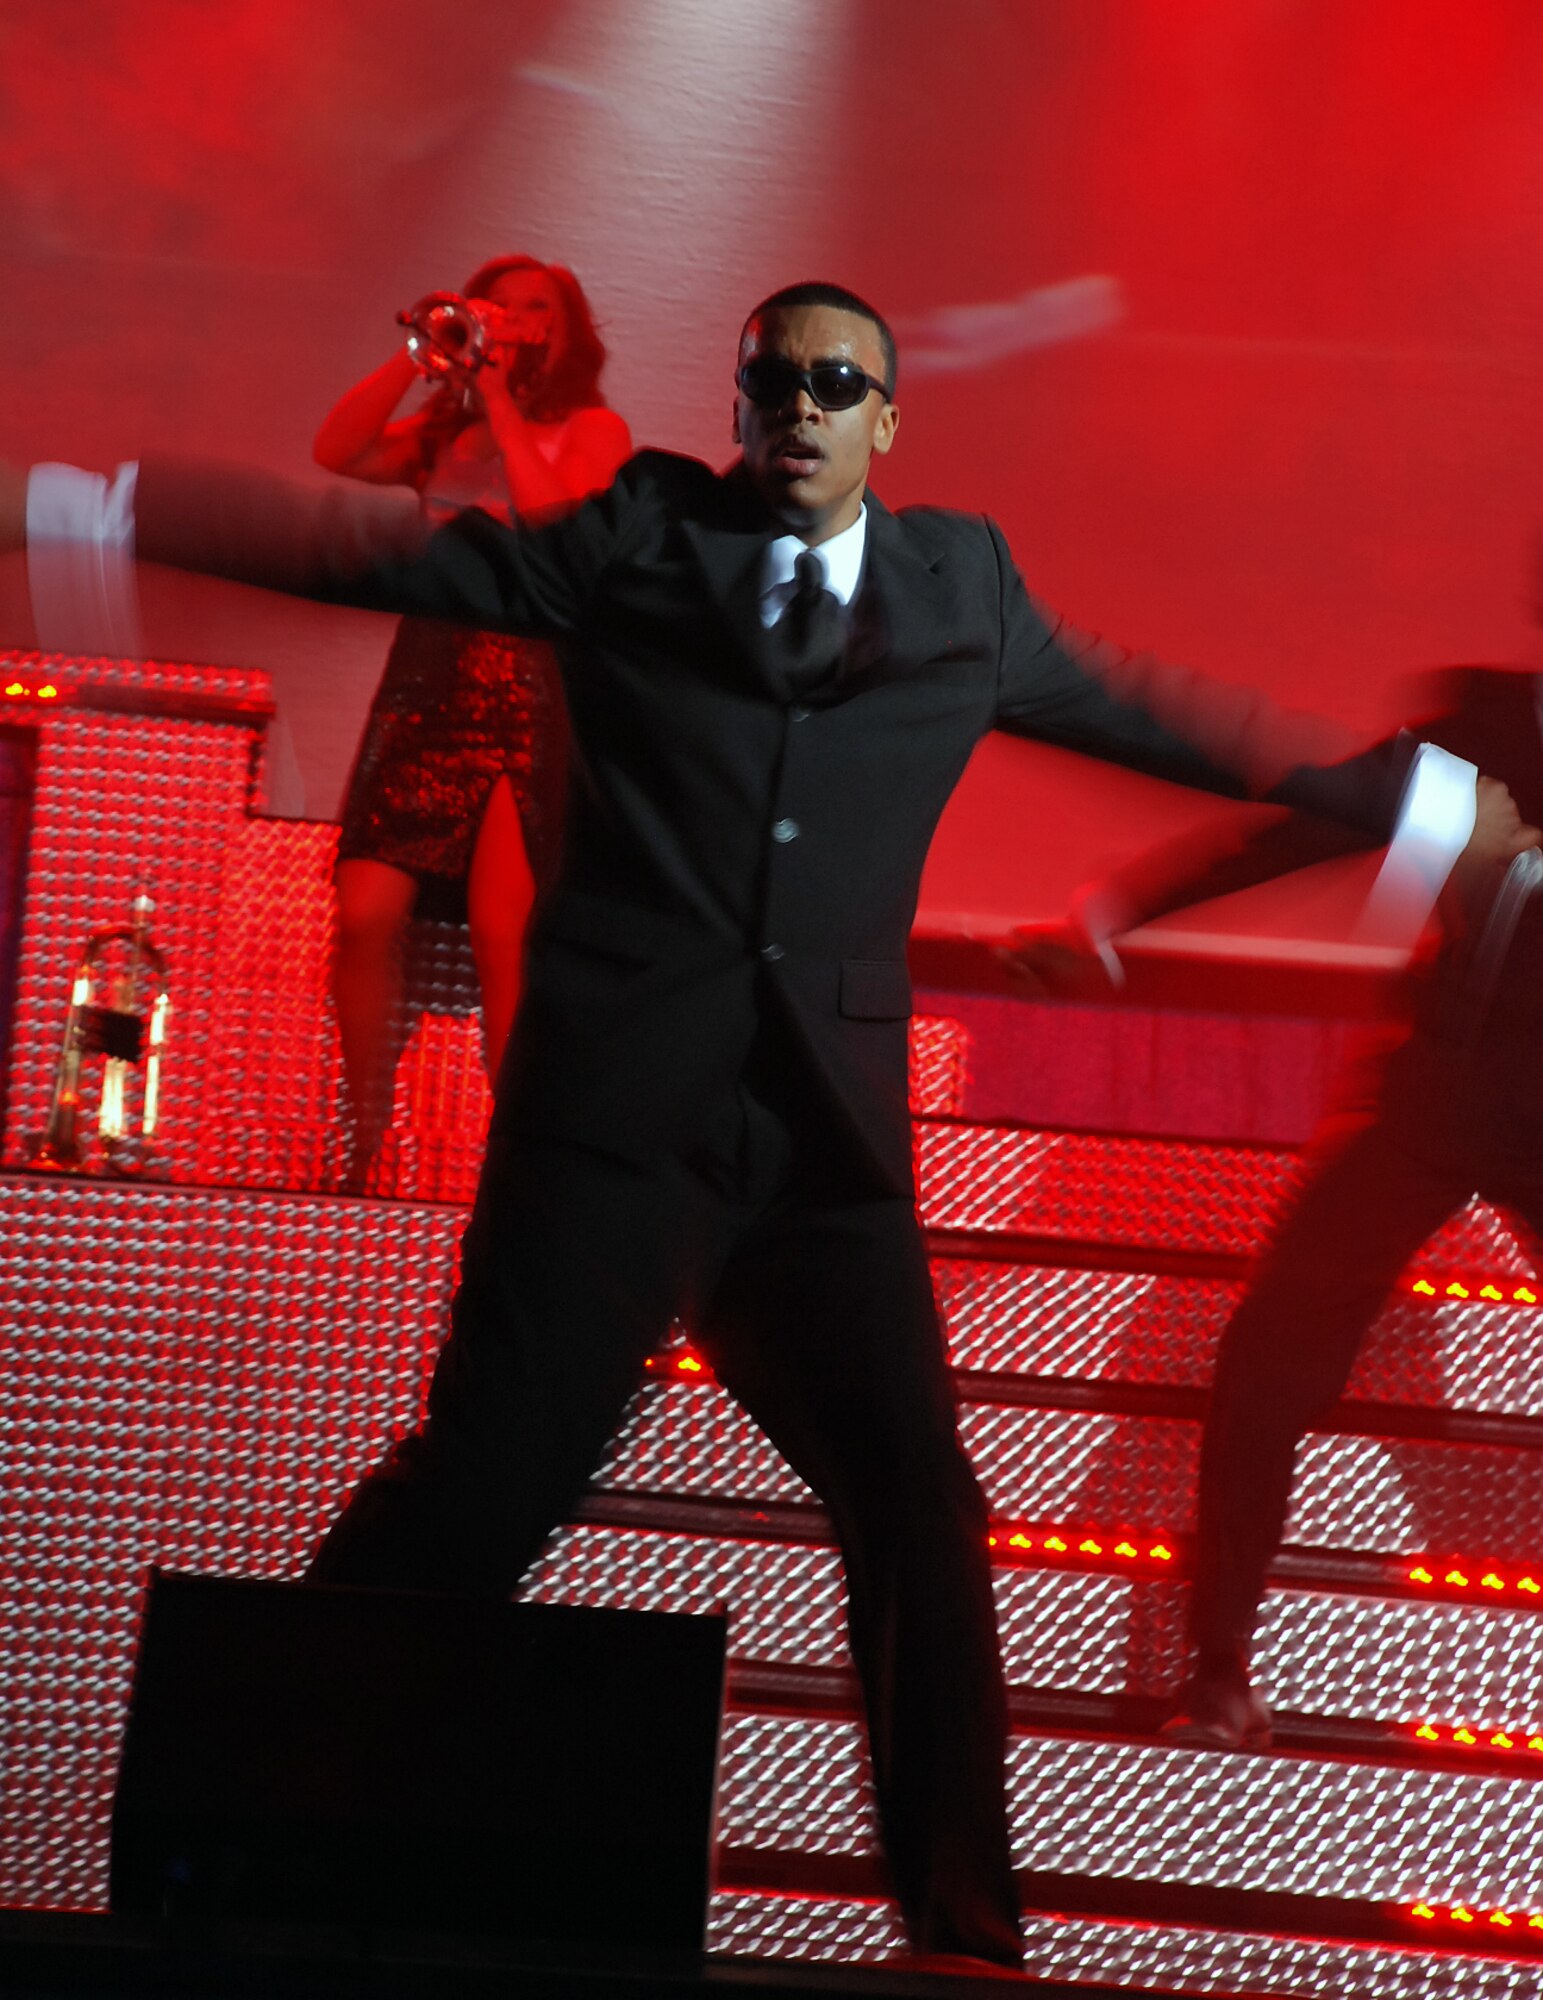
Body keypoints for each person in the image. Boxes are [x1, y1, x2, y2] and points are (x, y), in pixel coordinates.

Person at [4, 281, 1525, 1975]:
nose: (800, 408)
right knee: (482, 1499)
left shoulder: (962, 587)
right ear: (739, 409)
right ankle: (244, 1823)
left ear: (886, 420)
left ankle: (964, 1932)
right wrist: (95, 510)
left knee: (918, 1509)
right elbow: (363, 558)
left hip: (817, 1167)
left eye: (836, 385)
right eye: (773, 383)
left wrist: (1422, 798)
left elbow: (1156, 716)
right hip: (613, 1136)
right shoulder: (635, 543)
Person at [1145, 666, 1543, 1749]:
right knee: (1269, 1353)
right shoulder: (1491, 730)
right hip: (1439, 1102)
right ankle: (1216, 1664)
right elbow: (1315, 830)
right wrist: (1118, 917)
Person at [317, 256, 632, 1174]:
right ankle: (362, 1129)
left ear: (568, 333)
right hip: (427, 673)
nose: (524, 322)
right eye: (506, 307)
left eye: (542, 310)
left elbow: (551, 526)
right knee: (365, 910)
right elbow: (335, 450)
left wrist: (497, 404)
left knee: (505, 934)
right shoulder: (441, 429)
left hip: (525, 681)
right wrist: (424, 355)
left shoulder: (593, 428)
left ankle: (521, 1160)